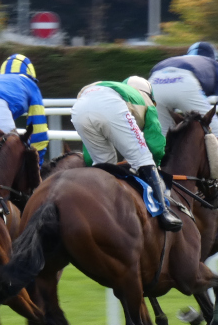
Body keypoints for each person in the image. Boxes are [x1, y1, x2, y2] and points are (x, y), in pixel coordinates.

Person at [71, 76, 181, 232]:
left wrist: (95, 167)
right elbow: (155, 145)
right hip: (110, 105)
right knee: (143, 158)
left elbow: (88, 156)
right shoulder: (146, 101)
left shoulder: (114, 87)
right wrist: (155, 166)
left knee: (104, 163)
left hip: (79, 107)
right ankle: (164, 212)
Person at [149, 41, 218, 198]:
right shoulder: (217, 66)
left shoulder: (175, 60)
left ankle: (154, 181)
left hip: (155, 82)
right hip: (185, 83)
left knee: (161, 139)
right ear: (214, 58)